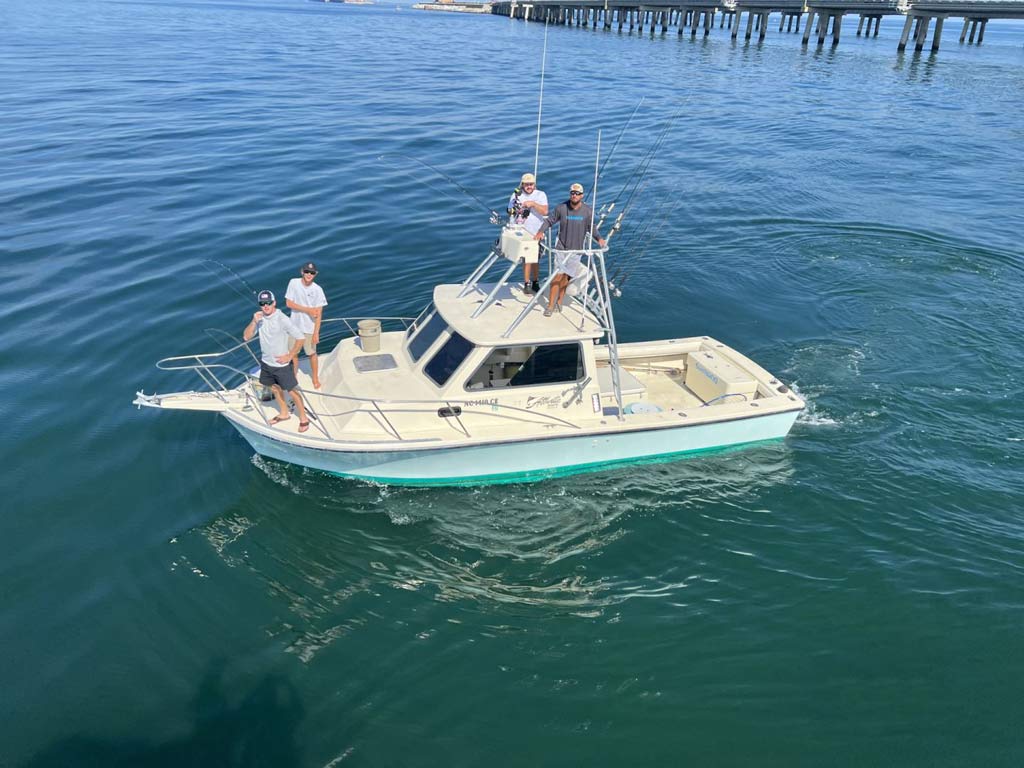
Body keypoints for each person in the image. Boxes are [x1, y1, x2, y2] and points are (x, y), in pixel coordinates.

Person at [534, 182, 606, 316]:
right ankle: (550, 306)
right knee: (557, 277)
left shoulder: (587, 211)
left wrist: (599, 239)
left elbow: (591, 228)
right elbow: (549, 221)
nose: (574, 195)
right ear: (570, 194)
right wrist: (540, 232)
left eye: (577, 193)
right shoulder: (561, 208)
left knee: (566, 278)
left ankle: (559, 302)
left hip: (576, 251)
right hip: (561, 249)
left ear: (582, 196)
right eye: (572, 193)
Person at [244, 290, 310, 432]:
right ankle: (284, 413)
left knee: (292, 392)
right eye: (262, 303)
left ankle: (304, 418)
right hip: (267, 363)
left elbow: (300, 338)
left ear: (274, 303)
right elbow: (246, 337)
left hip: (282, 365)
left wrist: (290, 355)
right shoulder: (260, 319)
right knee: (274, 388)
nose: (266, 306)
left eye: (268, 303)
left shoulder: (282, 319)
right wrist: (254, 321)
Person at [285, 261, 328, 389]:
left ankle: (315, 378)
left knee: (312, 353)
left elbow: (319, 313)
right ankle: (294, 376)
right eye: (307, 272)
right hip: (294, 327)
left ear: (316, 274)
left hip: (309, 328)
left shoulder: (318, 290)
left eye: (312, 273)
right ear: (302, 272)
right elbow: (289, 303)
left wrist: (316, 333)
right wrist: (308, 310)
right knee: (293, 353)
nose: (309, 274)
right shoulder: (293, 283)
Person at [507, 172, 548, 295]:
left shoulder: (540, 195)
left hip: (536, 233)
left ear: (534, 184)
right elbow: (510, 212)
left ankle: (535, 281)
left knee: (535, 259)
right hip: (521, 233)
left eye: (531, 184)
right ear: (522, 184)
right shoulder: (515, 195)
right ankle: (526, 283)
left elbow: (545, 211)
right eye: (526, 184)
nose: (529, 186)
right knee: (526, 259)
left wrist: (533, 204)